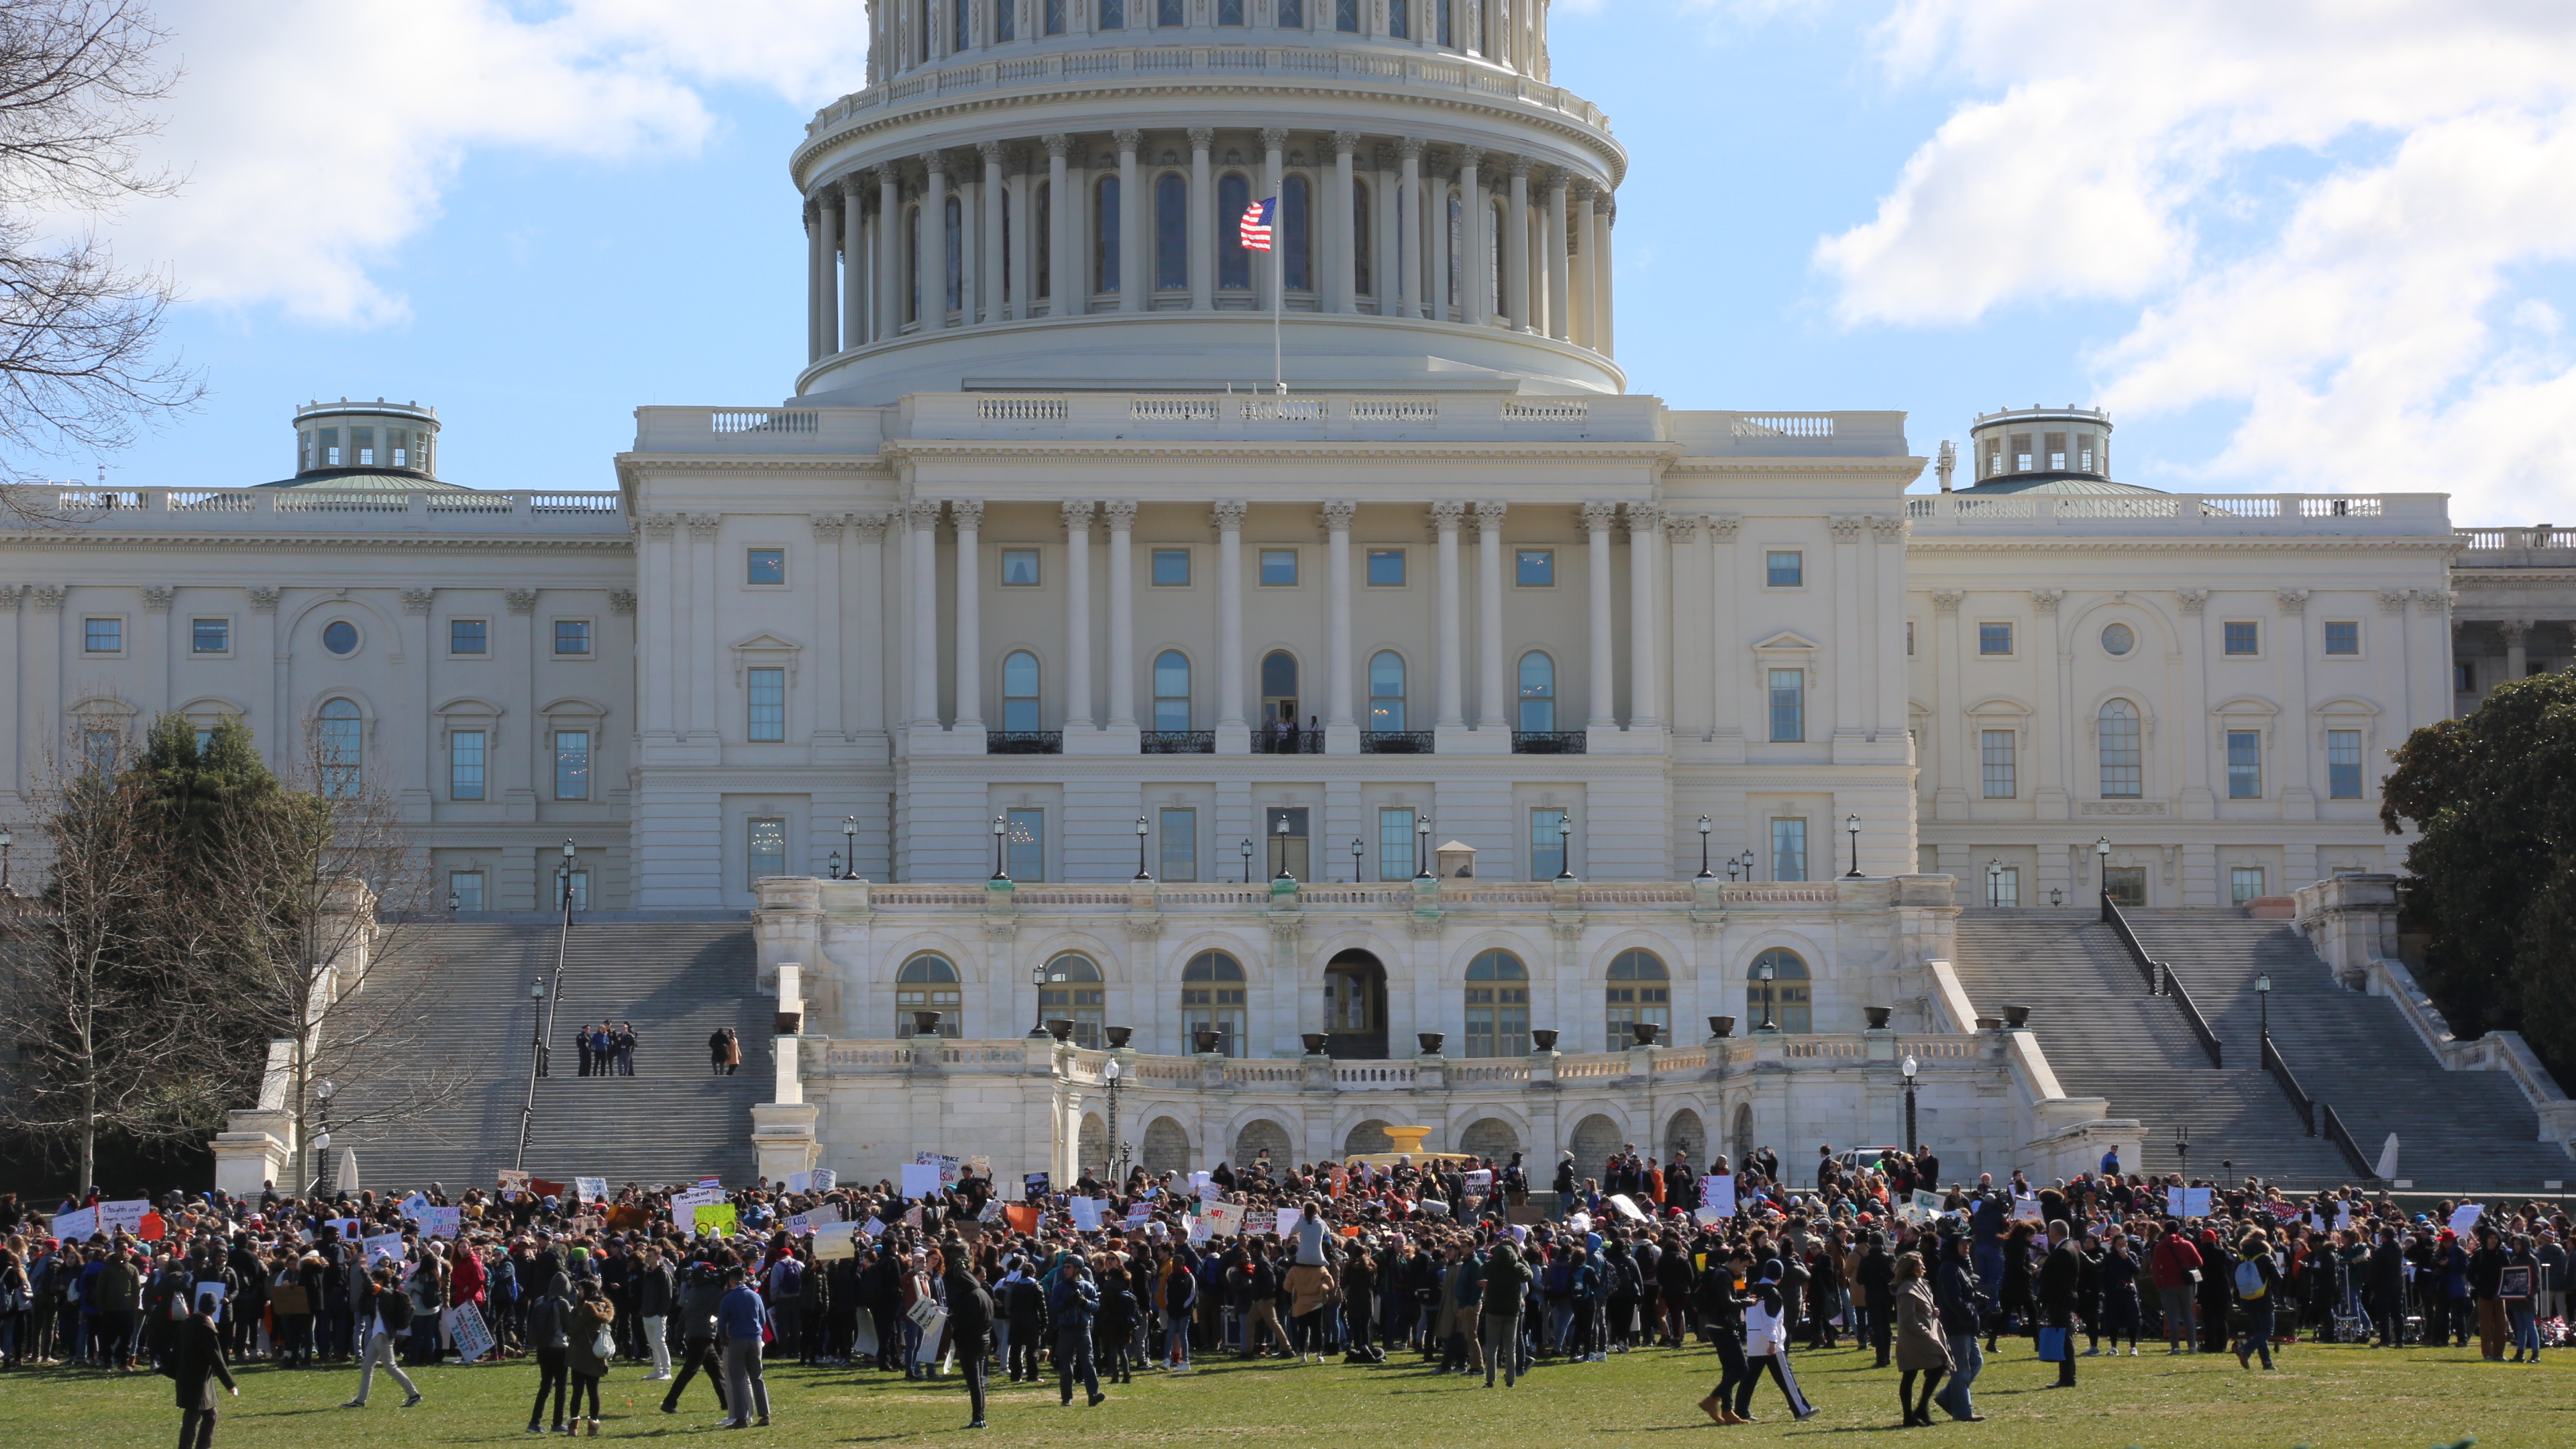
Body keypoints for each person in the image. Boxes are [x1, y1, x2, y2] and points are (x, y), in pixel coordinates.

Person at [1733, 1259, 1817, 1423]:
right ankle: (1801, 1409)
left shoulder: (1754, 1289)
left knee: (1750, 1377)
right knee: (1786, 1376)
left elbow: (1747, 1315)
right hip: (1769, 1340)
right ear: (1779, 1276)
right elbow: (1771, 1319)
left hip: (1754, 1337)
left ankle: (1741, 1410)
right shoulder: (1773, 1293)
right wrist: (1773, 1341)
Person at [343, 1263, 422, 1410]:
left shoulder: (386, 1293)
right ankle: (360, 1400)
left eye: (375, 1279)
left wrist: (363, 1270)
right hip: (377, 1335)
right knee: (367, 1368)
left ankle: (414, 1395)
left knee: (391, 1367)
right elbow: (365, 1307)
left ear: (381, 1281)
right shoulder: (380, 1294)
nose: (373, 1281)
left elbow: (372, 1286)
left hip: (384, 1335)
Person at [1891, 1252, 1950, 1428]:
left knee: (1936, 1367)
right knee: (1916, 1372)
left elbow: (1924, 1307)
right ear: (1912, 1268)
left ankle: (1920, 1410)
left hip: (1924, 1335)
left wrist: (1934, 1311)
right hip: (1914, 1338)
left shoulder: (1921, 1284)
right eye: (1920, 1264)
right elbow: (1908, 1318)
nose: (1924, 1267)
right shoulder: (1906, 1289)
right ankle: (1911, 1415)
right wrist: (1925, 1333)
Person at [169, 1297, 237, 1449]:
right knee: (193, 1417)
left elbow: (175, 1348)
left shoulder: (187, 1323)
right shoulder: (205, 1327)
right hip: (198, 1380)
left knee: (210, 1415)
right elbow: (216, 1358)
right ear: (213, 1310)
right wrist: (230, 1384)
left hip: (187, 1376)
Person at [944, 1243, 995, 1428]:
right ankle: (979, 1417)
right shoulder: (982, 1293)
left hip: (970, 1342)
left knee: (974, 1382)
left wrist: (952, 1319)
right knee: (979, 1382)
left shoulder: (970, 1297)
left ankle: (977, 1418)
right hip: (983, 1340)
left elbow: (964, 1320)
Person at [718, 1266, 771, 1428]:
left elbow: (721, 1324)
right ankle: (765, 1414)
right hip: (755, 1339)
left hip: (737, 1339)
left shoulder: (728, 1298)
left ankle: (742, 1418)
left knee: (737, 1379)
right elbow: (762, 1319)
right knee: (757, 1377)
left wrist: (723, 1338)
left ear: (731, 1281)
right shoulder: (755, 1296)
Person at [1050, 1256, 1104, 1407]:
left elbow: (1097, 1306)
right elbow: (1053, 1306)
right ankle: (1066, 1397)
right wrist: (1066, 1302)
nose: (1065, 1270)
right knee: (1066, 1364)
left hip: (1083, 1330)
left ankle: (1093, 1394)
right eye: (1064, 1267)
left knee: (1088, 1362)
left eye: (1068, 1267)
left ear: (1077, 1269)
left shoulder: (1087, 1286)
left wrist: (1085, 1302)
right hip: (1066, 1330)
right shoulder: (1060, 1287)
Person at [527, 1256, 572, 1434]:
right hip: (559, 1348)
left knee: (545, 1385)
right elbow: (568, 1327)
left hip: (542, 1346)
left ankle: (534, 1422)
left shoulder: (540, 1300)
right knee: (561, 1386)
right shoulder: (562, 1303)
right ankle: (557, 1423)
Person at [2233, 1228, 2281, 1371]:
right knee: (2267, 1331)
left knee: (2259, 1331)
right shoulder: (2265, 1257)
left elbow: (2233, 1279)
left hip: (2246, 1298)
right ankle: (2246, 1350)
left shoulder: (2240, 1258)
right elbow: (2278, 1279)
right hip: (2264, 1297)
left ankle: (2267, 1362)